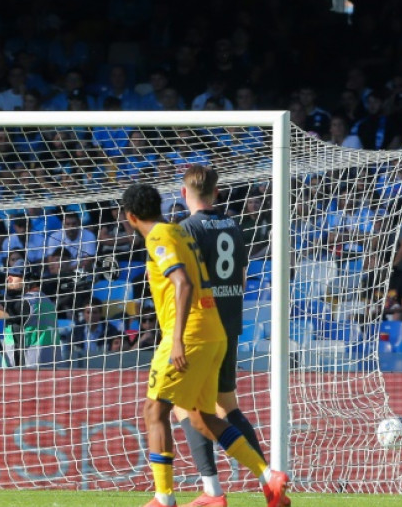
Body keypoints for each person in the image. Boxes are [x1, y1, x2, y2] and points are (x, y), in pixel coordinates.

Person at [120, 183, 288, 507]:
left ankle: (164, 498)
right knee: (201, 416)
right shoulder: (178, 231)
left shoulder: (158, 237)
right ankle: (268, 477)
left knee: (155, 410)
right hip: (214, 330)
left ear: (130, 217)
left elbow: (182, 283)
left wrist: (177, 340)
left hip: (189, 334)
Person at [172, 166, 290, 507]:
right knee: (226, 406)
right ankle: (269, 484)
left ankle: (212, 491)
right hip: (230, 324)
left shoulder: (187, 229)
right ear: (217, 193)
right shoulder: (234, 226)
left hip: (201, 329)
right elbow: (240, 277)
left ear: (184, 193)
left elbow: (185, 284)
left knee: (184, 407)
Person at [0, 260, 59, 367]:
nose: (8, 278)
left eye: (14, 275)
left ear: (28, 280)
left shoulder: (25, 303)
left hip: (26, 369)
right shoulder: (46, 300)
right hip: (48, 368)